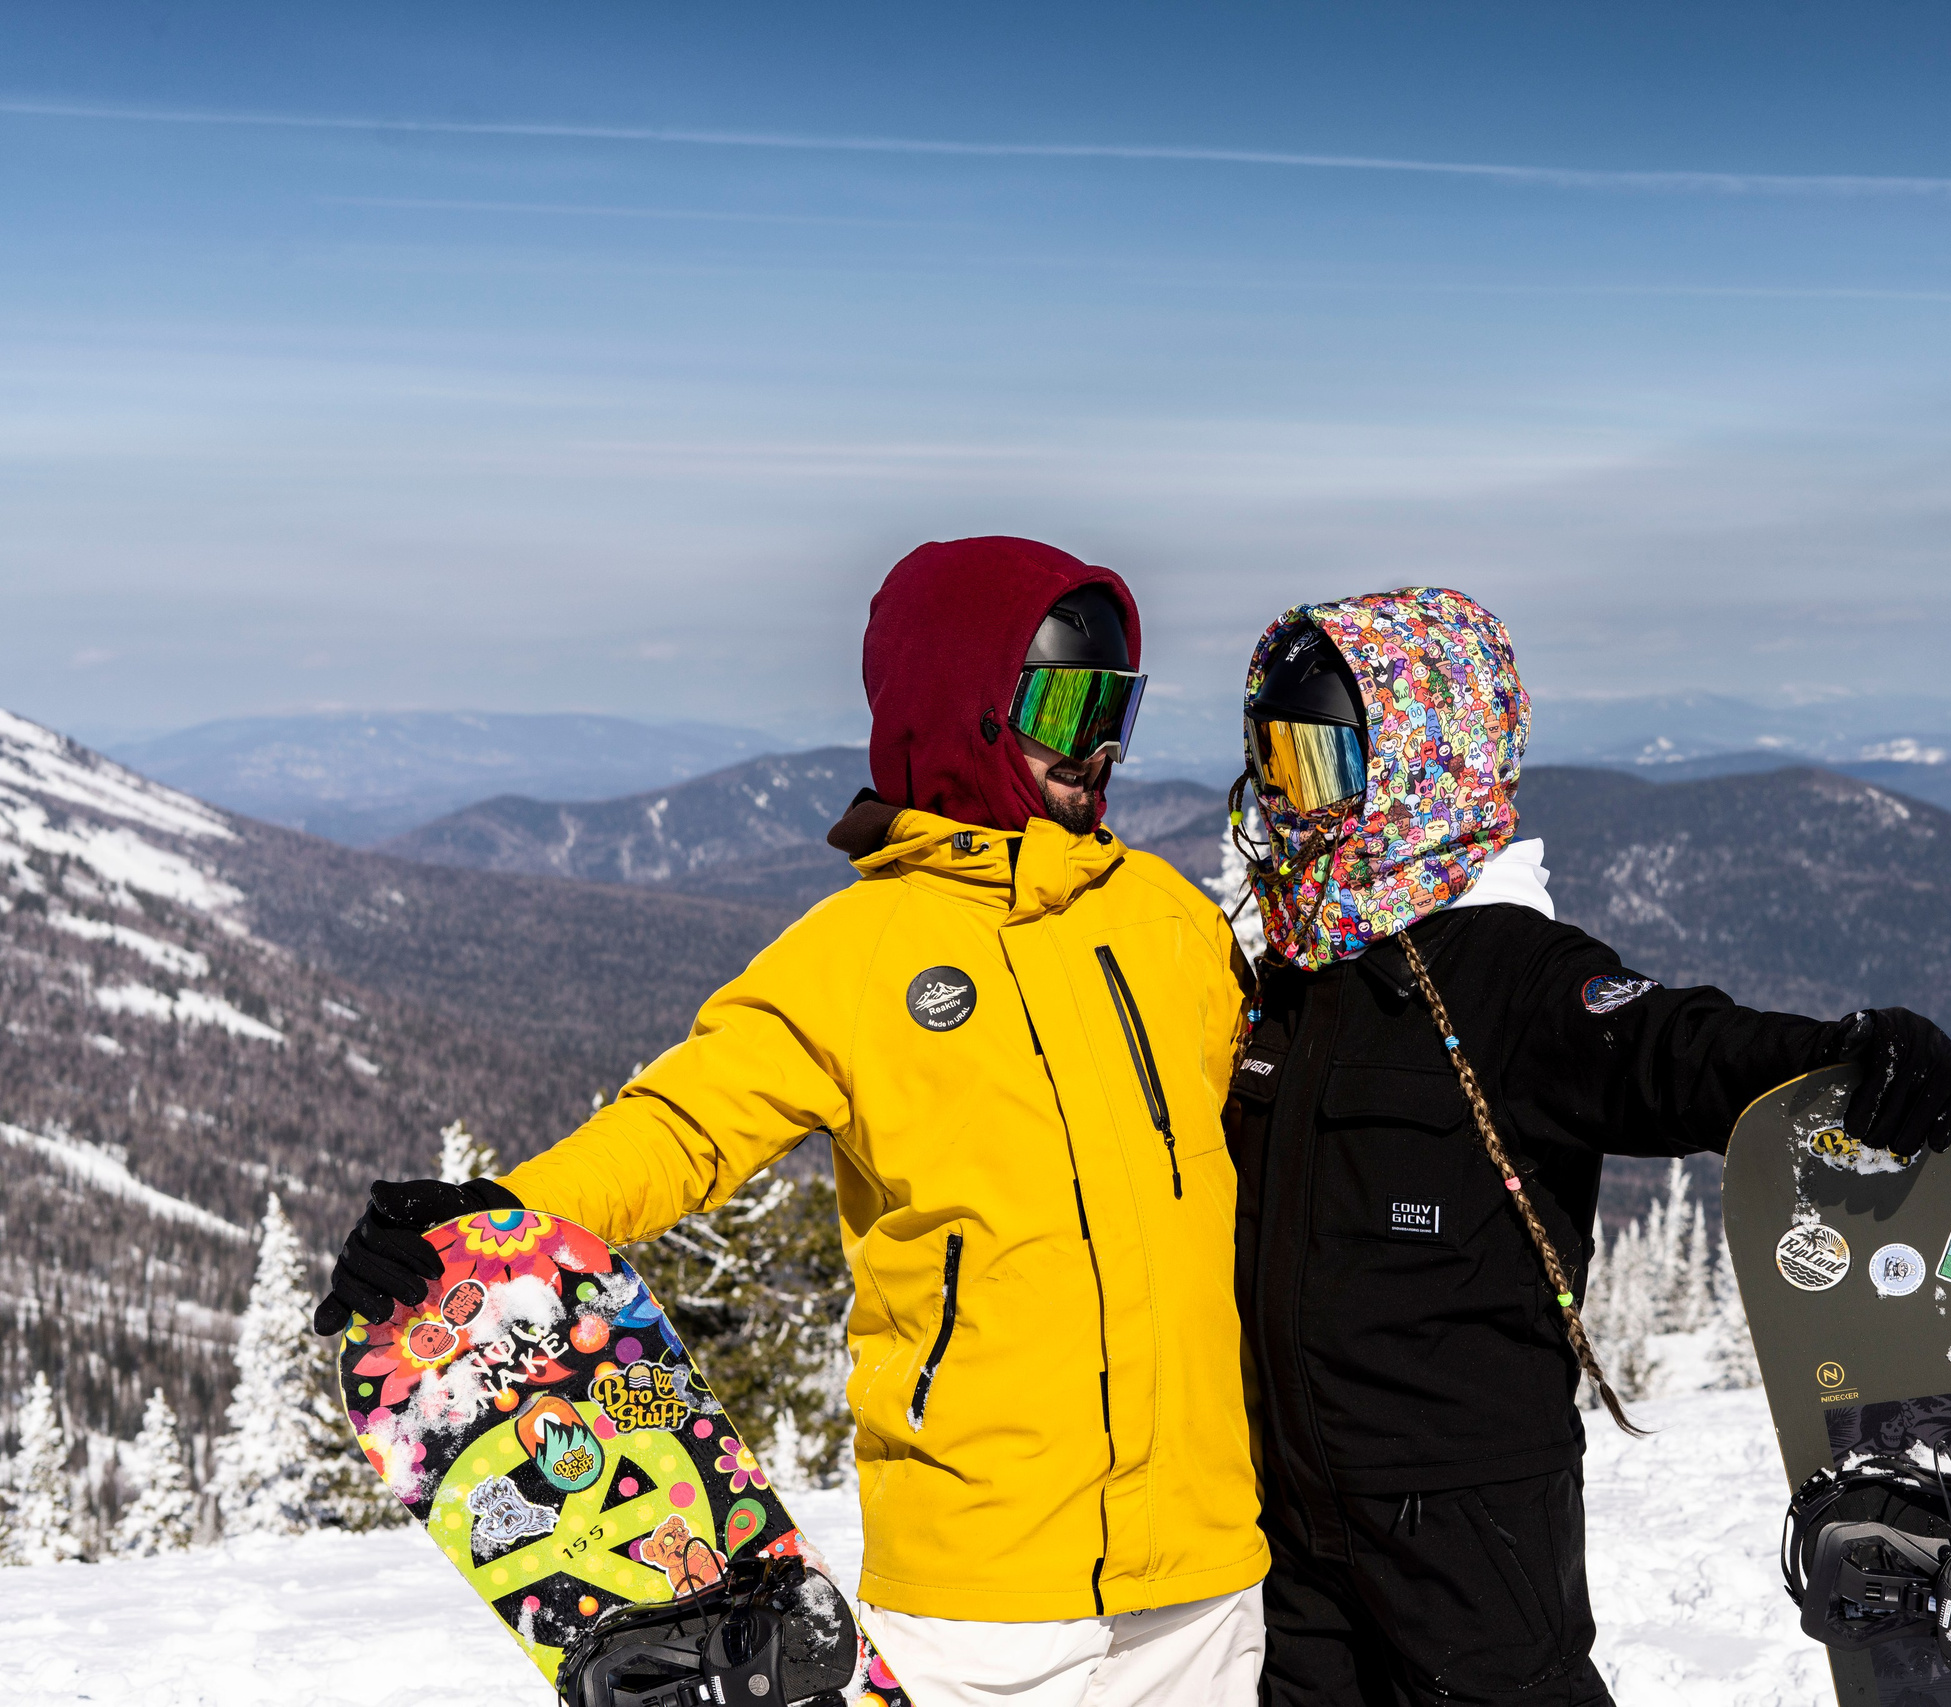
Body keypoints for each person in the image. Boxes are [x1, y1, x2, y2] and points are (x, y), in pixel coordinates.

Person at [312, 536, 1268, 1706]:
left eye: (1116, 704)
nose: (1101, 744)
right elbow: (681, 1126)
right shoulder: (854, 956)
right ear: (963, 704)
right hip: (990, 1586)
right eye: (1065, 702)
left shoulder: (1175, 927)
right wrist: (490, 1228)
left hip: (1210, 1570)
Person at [1223, 587, 1951, 1707]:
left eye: (1325, 766)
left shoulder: (1512, 974)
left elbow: (1666, 1047)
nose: (1295, 801)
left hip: (1464, 1510)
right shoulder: (1284, 977)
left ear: (1419, 764)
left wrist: (1836, 1058)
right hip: (1284, 1515)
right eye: (1275, 761)